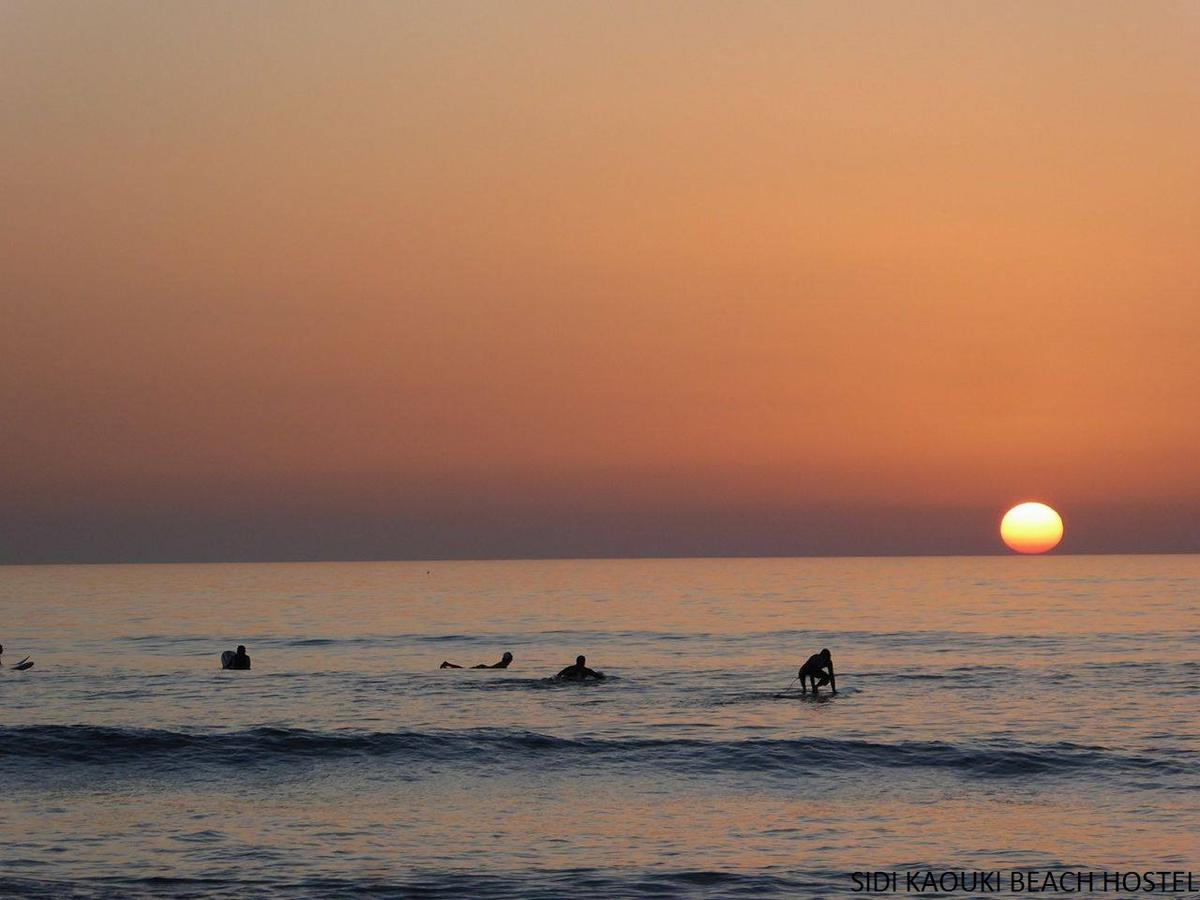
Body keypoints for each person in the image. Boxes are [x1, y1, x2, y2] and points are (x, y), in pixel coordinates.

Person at [440, 651, 514, 670]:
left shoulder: (503, 664)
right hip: (483, 668)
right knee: (463, 669)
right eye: (511, 658)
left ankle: (448, 664)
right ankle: (447, 664)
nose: (512, 660)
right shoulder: (503, 665)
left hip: (483, 668)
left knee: (463, 669)